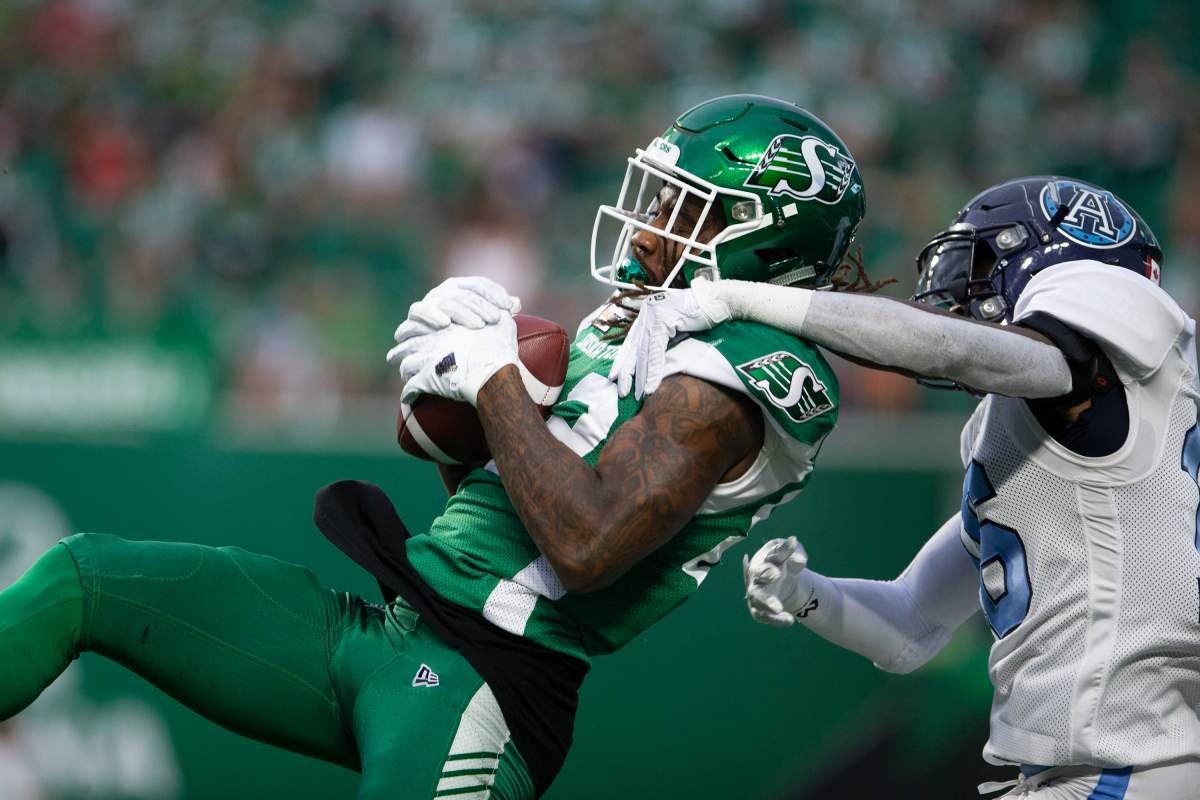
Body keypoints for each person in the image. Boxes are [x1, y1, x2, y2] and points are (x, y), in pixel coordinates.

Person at [0, 94, 865, 799]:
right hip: (391, 631)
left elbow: (586, 544)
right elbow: (491, 501)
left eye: (684, 206)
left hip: (480, 684)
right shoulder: (638, 323)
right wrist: (450, 397)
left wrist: (495, 382)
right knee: (85, 579)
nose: (648, 226)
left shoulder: (756, 370)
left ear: (764, 233)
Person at [610, 175, 1200, 798]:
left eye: (983, 262)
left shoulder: (1116, 324)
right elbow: (912, 623)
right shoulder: (1027, 436)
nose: (961, 291)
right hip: (1082, 775)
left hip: (1128, 770)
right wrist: (806, 594)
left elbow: (951, 347)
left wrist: (739, 297)